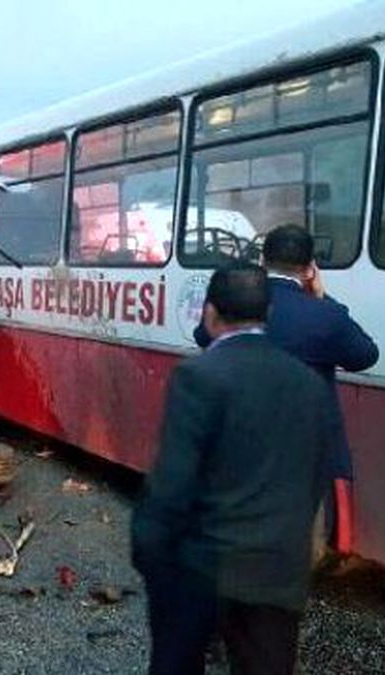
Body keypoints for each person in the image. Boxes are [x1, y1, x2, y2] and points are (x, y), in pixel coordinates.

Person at [133, 263, 336, 675]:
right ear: (269, 316)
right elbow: (316, 477)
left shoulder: (198, 376)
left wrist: (149, 554)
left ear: (208, 314)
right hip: (277, 573)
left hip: (201, 571)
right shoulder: (308, 384)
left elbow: (172, 485)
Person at [194, 225, 377, 484]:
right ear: (310, 269)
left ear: (261, 261)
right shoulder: (326, 315)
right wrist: (323, 298)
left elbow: (202, 335)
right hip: (305, 463)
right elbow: (365, 356)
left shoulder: (234, 303)